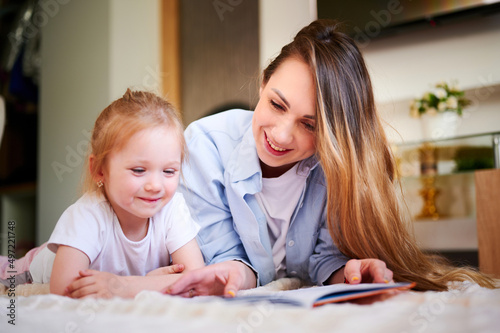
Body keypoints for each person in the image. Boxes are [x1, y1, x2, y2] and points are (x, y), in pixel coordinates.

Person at [166, 19, 495, 298]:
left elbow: (323, 262)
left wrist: (350, 274)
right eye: (276, 105)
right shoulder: (204, 145)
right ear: (264, 83)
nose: (280, 135)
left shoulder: (333, 169)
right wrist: (233, 277)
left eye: (309, 125)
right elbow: (225, 259)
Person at [0, 89, 205, 298]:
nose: (155, 185)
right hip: (36, 269)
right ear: (100, 170)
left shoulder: (173, 208)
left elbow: (197, 277)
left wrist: (133, 284)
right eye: (139, 170)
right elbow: (63, 288)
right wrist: (152, 283)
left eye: (169, 171)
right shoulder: (87, 214)